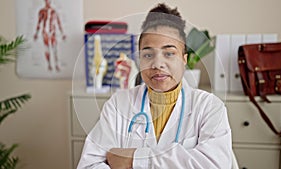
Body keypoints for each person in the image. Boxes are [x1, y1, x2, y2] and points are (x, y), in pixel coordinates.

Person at [77, 3, 232, 169]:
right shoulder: (118, 104)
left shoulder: (209, 107)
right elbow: (89, 164)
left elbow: (216, 165)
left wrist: (135, 160)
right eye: (148, 54)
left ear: (184, 59)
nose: (158, 64)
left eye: (169, 53)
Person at [33, 0, 66, 71]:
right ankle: (49, 64)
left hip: (52, 32)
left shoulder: (54, 11)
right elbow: (39, 23)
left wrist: (62, 33)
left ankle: (56, 64)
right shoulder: (42, 11)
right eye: (47, 1)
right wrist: (36, 33)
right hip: (45, 32)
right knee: (47, 49)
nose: (48, 2)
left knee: (55, 49)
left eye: (49, 1)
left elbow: (58, 22)